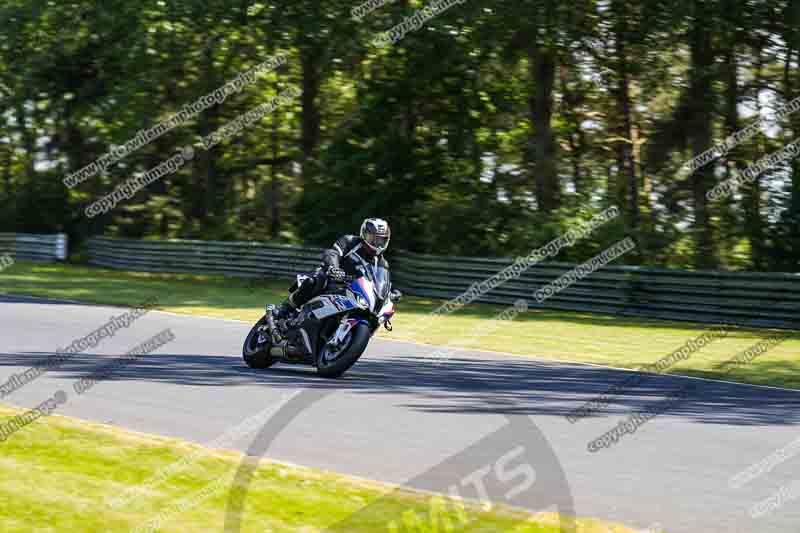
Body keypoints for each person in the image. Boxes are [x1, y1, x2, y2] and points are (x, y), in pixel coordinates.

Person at [272, 218, 391, 319]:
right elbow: (332, 253)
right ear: (364, 235)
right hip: (333, 278)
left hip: (354, 291)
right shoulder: (350, 242)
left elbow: (381, 282)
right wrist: (334, 268)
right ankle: (285, 308)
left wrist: (388, 293)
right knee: (317, 279)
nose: (377, 244)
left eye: (381, 240)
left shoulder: (381, 263)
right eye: (374, 239)